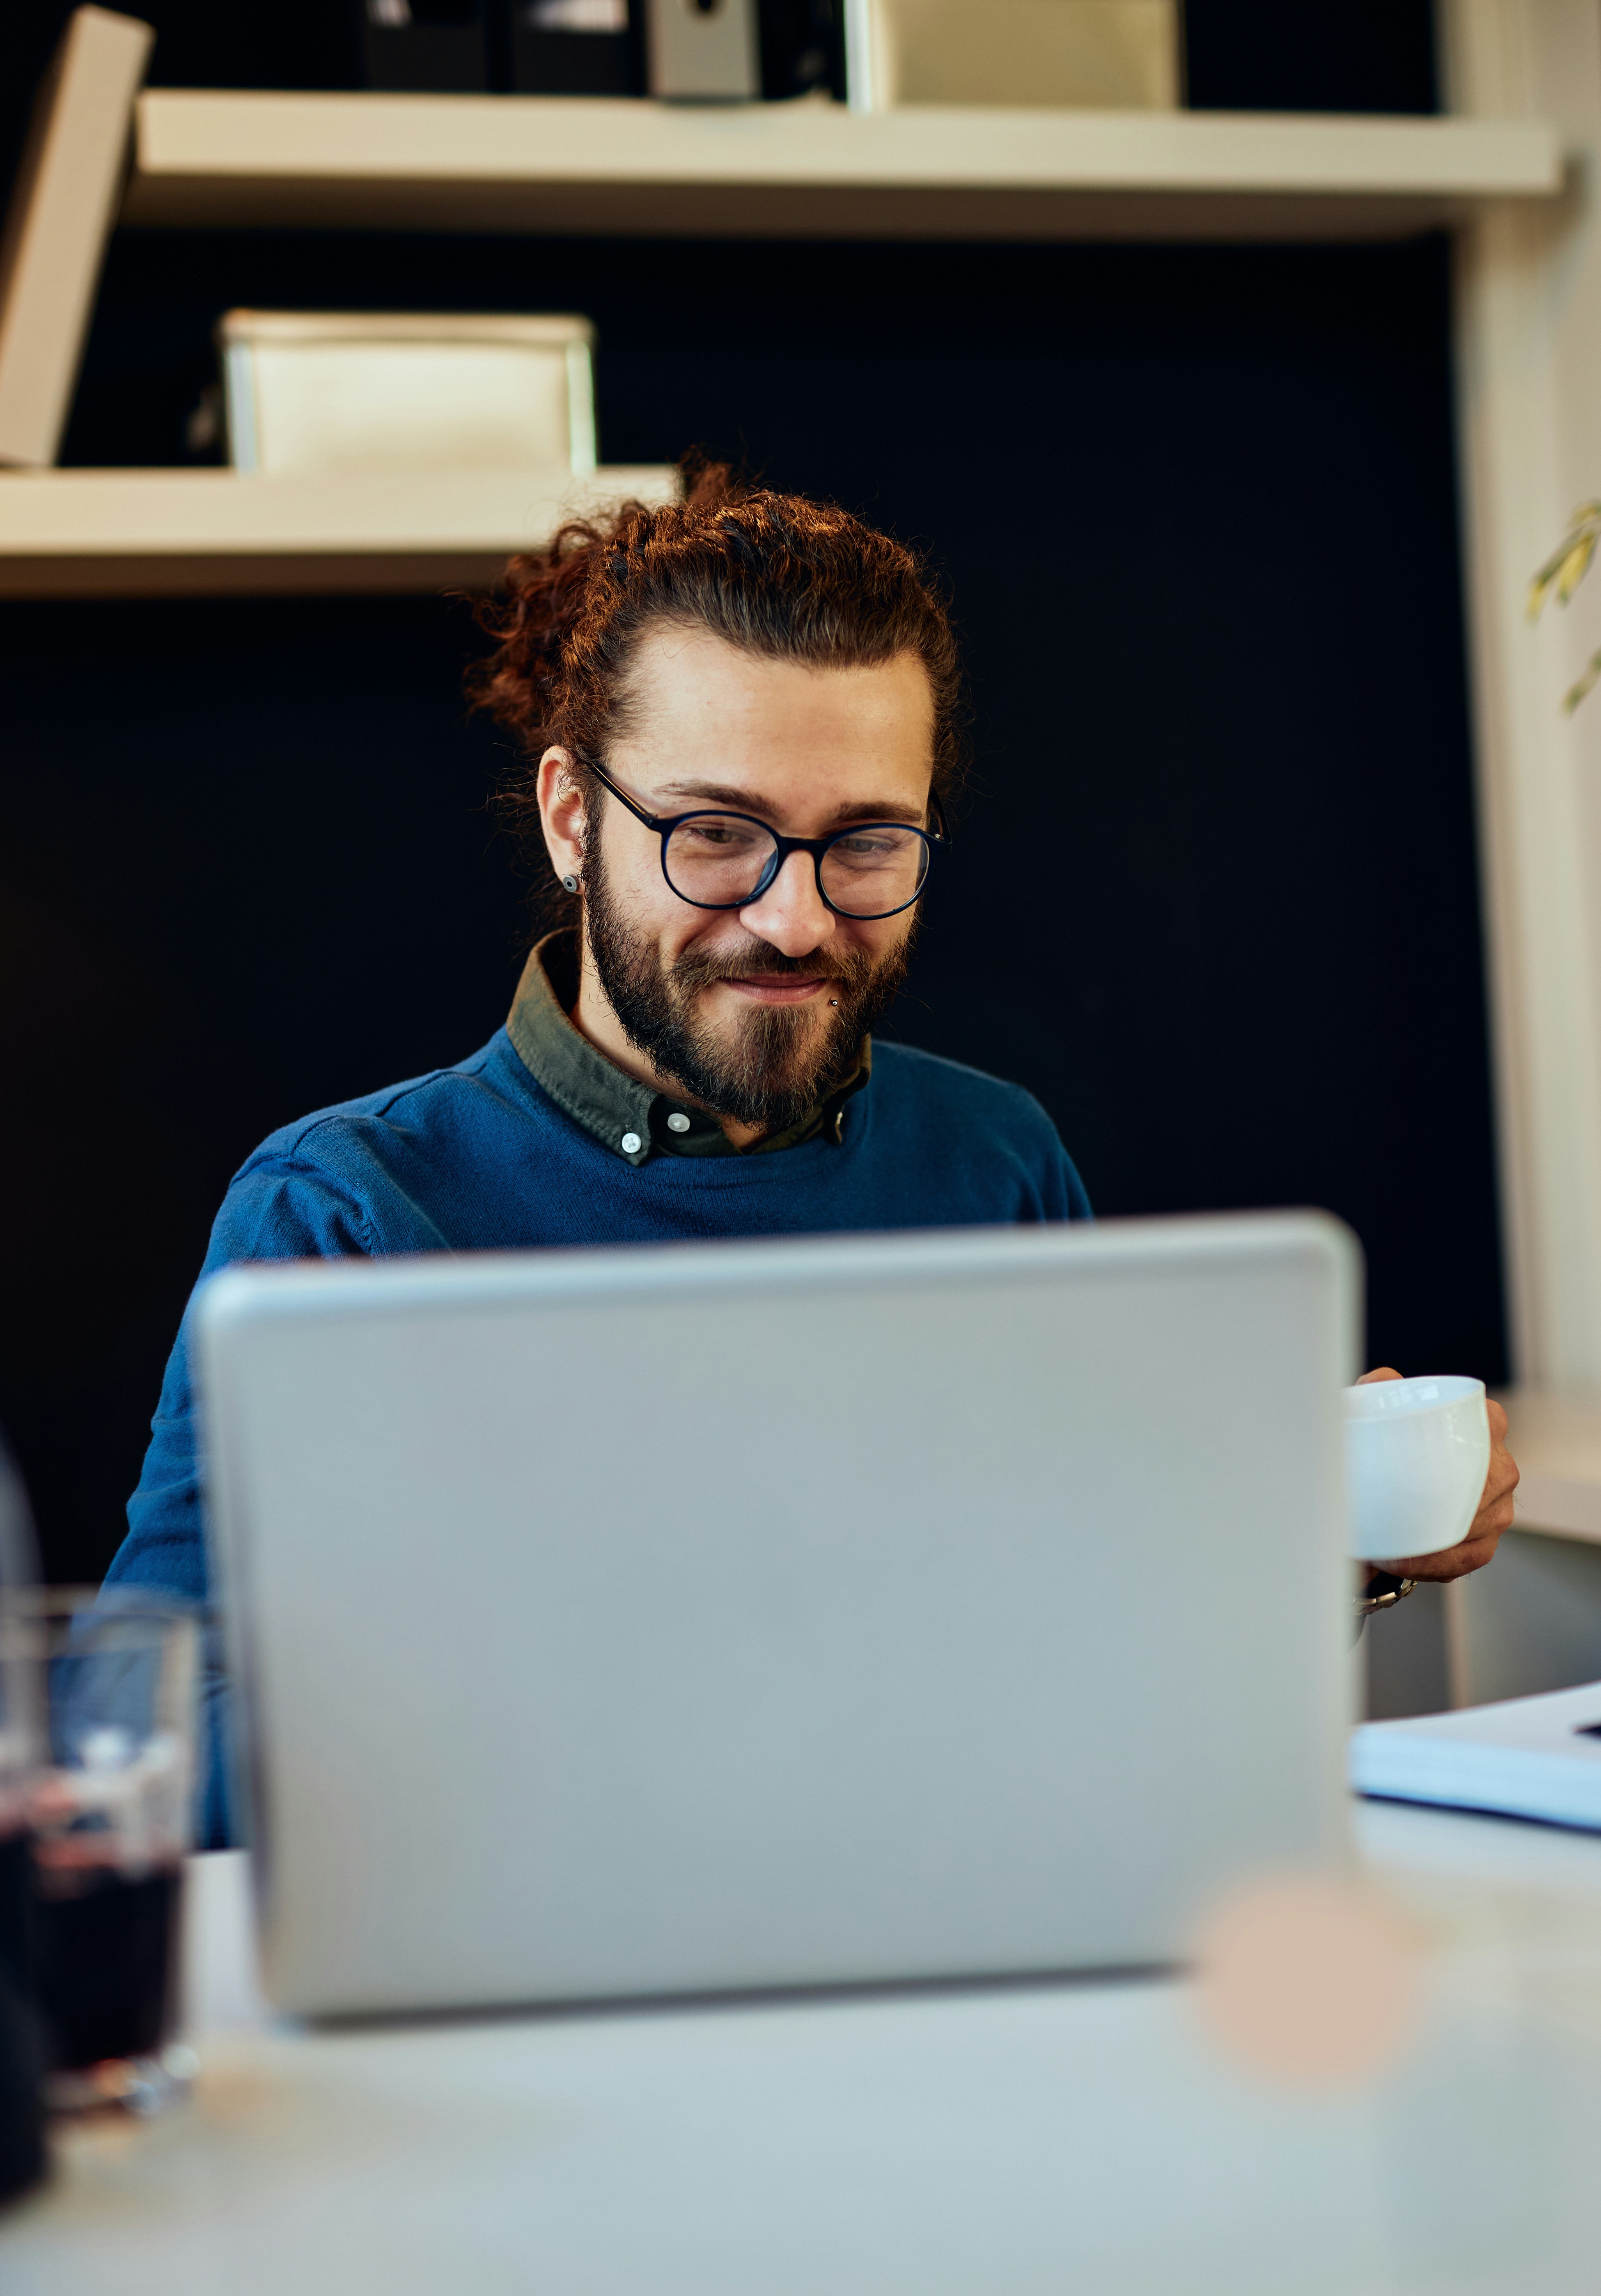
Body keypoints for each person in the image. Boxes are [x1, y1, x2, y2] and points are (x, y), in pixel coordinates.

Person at [103, 467, 1517, 1836]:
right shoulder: (344, 1211)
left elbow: (1086, 1652)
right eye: (715, 835)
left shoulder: (994, 1156)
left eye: (864, 843)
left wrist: (1318, 1541)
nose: (792, 920)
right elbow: (136, 1740)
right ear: (571, 820)